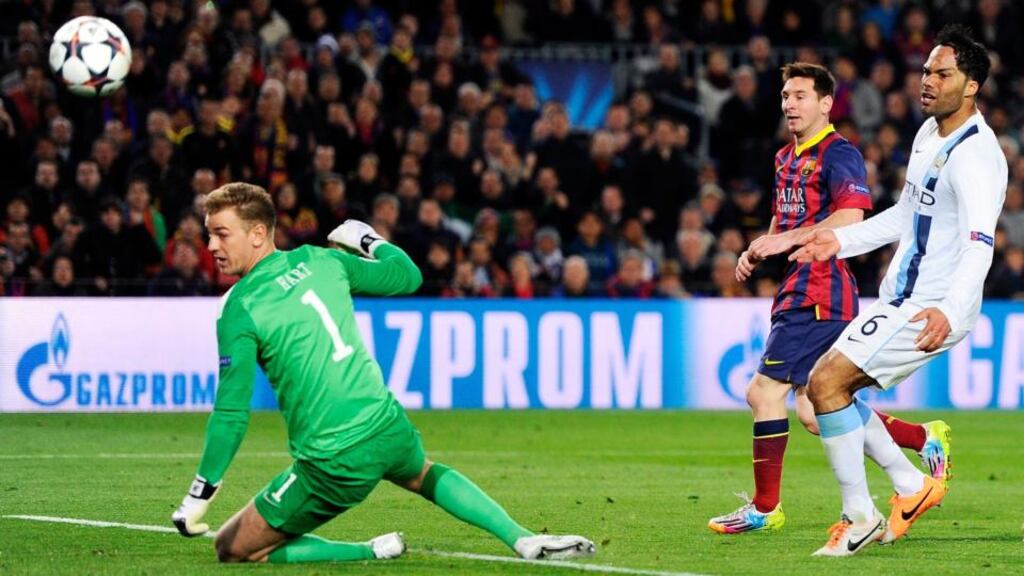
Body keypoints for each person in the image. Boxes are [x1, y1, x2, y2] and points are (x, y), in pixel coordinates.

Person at [170, 183, 594, 563]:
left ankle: (370, 550)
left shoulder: (238, 307)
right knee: (424, 473)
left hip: (332, 459)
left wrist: (201, 493)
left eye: (221, 233)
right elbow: (408, 277)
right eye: (209, 233)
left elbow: (231, 413)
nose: (210, 244)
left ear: (258, 233)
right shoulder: (323, 260)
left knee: (232, 547)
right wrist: (367, 238)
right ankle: (522, 539)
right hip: (386, 424)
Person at [782, 26, 1006, 556]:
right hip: (901, 297)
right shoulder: (930, 134)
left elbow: (980, 243)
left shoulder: (977, 156)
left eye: (942, 73)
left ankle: (858, 516)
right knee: (826, 400)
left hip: (930, 305)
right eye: (926, 70)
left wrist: (949, 311)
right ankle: (910, 486)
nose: (927, 80)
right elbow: (907, 214)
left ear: (971, 86)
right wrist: (839, 240)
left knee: (826, 384)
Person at [708, 62, 940, 535]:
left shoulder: (840, 154)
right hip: (798, 287)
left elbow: (852, 218)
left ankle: (766, 507)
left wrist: (785, 241)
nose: (789, 104)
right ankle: (923, 441)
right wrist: (761, 245)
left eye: (800, 96)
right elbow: (784, 220)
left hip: (822, 289)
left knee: (762, 392)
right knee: (817, 411)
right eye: (785, 96)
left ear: (826, 103)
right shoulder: (784, 158)